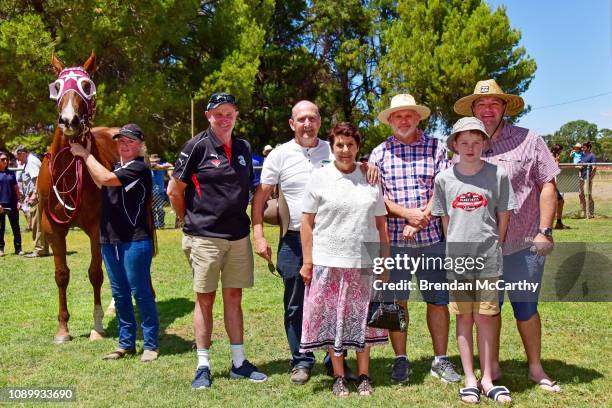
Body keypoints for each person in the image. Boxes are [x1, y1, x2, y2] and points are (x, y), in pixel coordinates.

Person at [251, 100, 377, 385]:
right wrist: (258, 235)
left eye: (312, 118)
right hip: (295, 240)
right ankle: (301, 361)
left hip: (335, 240)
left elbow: (353, 164)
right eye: (301, 119)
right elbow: (259, 197)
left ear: (320, 121)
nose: (307, 124)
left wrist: (368, 167)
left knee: (337, 303)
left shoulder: (332, 148)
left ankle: (335, 363)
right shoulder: (280, 155)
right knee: (296, 303)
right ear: (292, 123)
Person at [454, 78, 561, 392]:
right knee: (490, 309)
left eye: (494, 104)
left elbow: (548, 185)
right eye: (481, 105)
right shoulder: (466, 142)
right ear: (474, 109)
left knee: (525, 308)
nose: (488, 110)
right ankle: (492, 368)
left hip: (524, 244)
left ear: (504, 107)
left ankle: (535, 367)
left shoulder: (530, 140)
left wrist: (545, 231)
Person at [167, 92, 267, 389]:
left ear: (236, 115)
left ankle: (239, 363)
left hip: (238, 236)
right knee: (205, 300)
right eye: (218, 113)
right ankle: (203, 365)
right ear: (208, 116)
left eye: (229, 113)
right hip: (205, 237)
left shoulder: (243, 147)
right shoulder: (196, 145)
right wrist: (190, 221)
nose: (224, 118)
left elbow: (250, 188)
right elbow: (174, 190)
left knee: (234, 299)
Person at [369, 93, 461, 384]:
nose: (404, 120)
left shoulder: (436, 147)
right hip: (394, 241)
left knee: (437, 300)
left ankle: (440, 359)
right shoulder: (379, 153)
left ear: (418, 117)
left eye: (409, 114)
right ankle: (400, 359)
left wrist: (422, 217)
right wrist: (409, 214)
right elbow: (376, 199)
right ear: (390, 120)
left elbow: (443, 187)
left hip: (432, 238)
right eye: (398, 115)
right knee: (397, 302)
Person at [299, 122, 388, 396]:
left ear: (358, 147)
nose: (345, 150)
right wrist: (308, 261)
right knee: (331, 319)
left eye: (351, 145)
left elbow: (381, 225)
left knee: (363, 321)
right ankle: (338, 376)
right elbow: (306, 222)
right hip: (328, 262)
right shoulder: (319, 176)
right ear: (332, 146)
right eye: (340, 145)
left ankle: (363, 376)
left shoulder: (370, 177)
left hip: (364, 262)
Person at [432, 117, 517, 404]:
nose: (469, 148)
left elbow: (503, 215)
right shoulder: (443, 179)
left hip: (488, 258)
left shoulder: (498, 175)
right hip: (458, 260)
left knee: (486, 317)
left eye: (476, 142)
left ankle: (487, 379)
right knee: (464, 318)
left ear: (484, 144)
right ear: (454, 144)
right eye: (463, 142)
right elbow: (445, 220)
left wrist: (494, 246)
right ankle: (469, 378)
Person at [70, 124, 160, 362]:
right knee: (120, 295)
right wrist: (88, 155)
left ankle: (150, 344)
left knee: (140, 293)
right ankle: (126, 343)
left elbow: (106, 178)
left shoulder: (138, 168)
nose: (124, 144)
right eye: (121, 141)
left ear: (140, 145)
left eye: (130, 141)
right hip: (110, 240)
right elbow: (100, 183)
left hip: (134, 240)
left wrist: (85, 154)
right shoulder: (120, 167)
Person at [14, 145, 49, 257]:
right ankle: (43, 249)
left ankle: (39, 249)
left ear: (22, 153)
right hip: (37, 195)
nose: (17, 160)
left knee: (37, 223)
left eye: (17, 156)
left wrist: (34, 194)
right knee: (39, 223)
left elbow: (38, 178)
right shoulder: (30, 161)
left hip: (36, 196)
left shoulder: (31, 162)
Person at [0, 151, 22, 256]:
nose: (5, 161)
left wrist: (18, 201)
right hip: (0, 205)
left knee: (16, 227)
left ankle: (18, 249)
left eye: (6, 159)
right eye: (3, 159)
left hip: (12, 204)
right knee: (0, 228)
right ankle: (1, 249)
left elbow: (16, 188)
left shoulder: (11, 173)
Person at [149, 154, 172, 229]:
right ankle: (154, 224)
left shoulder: (162, 164)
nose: (156, 162)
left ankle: (161, 224)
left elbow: (170, 165)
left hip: (160, 190)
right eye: (153, 161)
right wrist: (162, 166)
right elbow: (154, 166)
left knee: (160, 208)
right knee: (152, 209)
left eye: (157, 160)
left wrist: (166, 167)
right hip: (150, 191)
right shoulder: (150, 166)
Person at [549, 144, 568, 229]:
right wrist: (557, 161)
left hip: (552, 183)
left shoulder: (552, 157)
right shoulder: (550, 157)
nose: (561, 152)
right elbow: (555, 171)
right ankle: (553, 223)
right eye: (560, 151)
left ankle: (558, 223)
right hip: (548, 184)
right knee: (556, 202)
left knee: (560, 201)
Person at [578, 141, 596, 218]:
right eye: (582, 147)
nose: (582, 148)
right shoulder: (581, 155)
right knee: (580, 195)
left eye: (584, 147)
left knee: (587, 195)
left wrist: (590, 178)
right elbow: (578, 164)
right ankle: (583, 212)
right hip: (581, 177)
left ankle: (590, 213)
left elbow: (594, 168)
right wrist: (578, 166)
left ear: (588, 148)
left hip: (587, 178)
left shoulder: (592, 156)